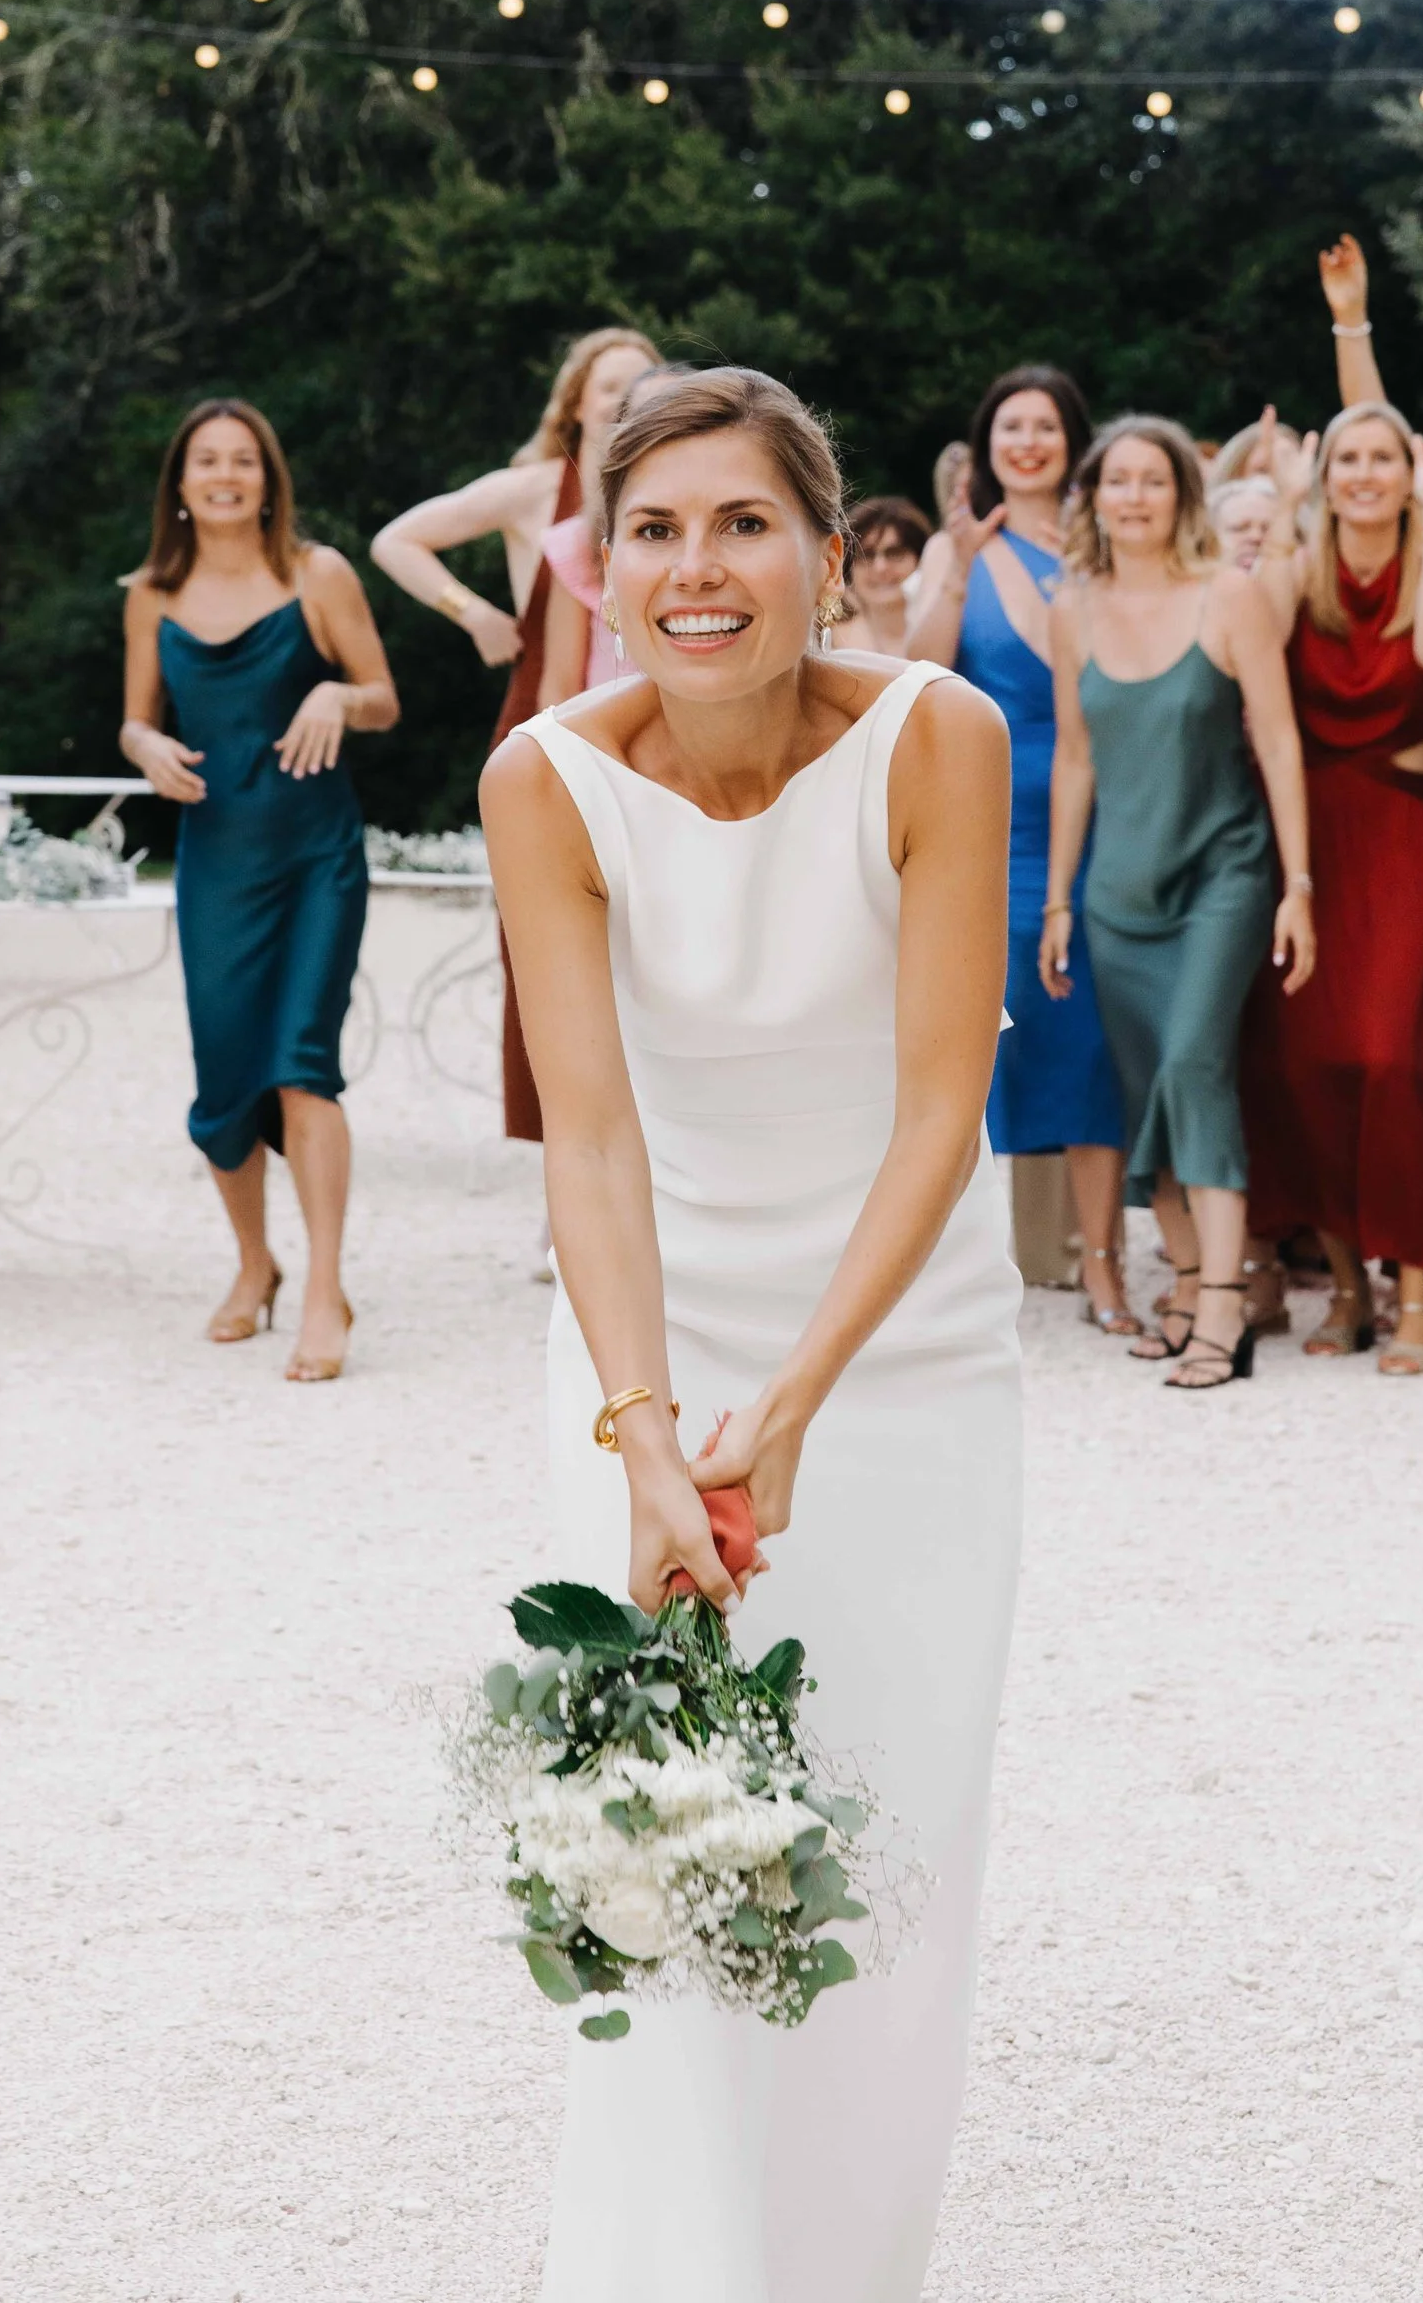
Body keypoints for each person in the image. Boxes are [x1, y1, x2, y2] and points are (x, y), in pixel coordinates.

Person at [483, 366, 1020, 2299]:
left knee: (883, 1831)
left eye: (741, 522)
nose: (695, 568)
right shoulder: (544, 776)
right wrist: (647, 1431)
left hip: (903, 1349)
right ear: (602, 559)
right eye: (653, 528)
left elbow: (942, 1111)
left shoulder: (938, 739)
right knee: (658, 1824)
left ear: (824, 544)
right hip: (650, 1329)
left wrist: (795, 1402)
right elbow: (595, 1129)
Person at [123, 399, 399, 1380]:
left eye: (244, 459)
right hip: (216, 860)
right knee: (224, 1078)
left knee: (301, 1062)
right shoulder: (152, 595)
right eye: (208, 460)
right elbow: (134, 721)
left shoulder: (316, 575)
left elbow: (383, 696)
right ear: (183, 484)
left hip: (315, 855)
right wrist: (146, 744)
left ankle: (325, 1290)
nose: (227, 474)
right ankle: (256, 1265)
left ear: (268, 478)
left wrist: (333, 690)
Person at [1040, 417, 1312, 1389]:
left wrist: (1299, 885)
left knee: (1195, 1060)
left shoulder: (1228, 595)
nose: (1135, 497)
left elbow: (1278, 744)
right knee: (1151, 1080)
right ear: (1095, 499)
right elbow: (1075, 758)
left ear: (1181, 497)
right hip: (1116, 891)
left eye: (1154, 480)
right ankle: (1189, 1284)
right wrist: (1059, 902)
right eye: (1118, 480)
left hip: (1224, 874)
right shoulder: (1070, 609)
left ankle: (1226, 1307)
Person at [1241, 314, 1423, 1374]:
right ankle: (1343, 1284)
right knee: (1308, 1065)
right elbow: (1273, 724)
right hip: (1309, 835)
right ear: (1324, 473)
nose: (1365, 474)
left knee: (1391, 1058)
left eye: (1383, 458)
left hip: (1398, 831)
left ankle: (1415, 1286)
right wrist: (1292, 879)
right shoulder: (1295, 571)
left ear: (1406, 472)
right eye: (1348, 459)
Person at [371, 325, 660, 1139]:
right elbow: (396, 539)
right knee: (551, 961)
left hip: (659, 740)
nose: (626, 401)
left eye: (644, 385)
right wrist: (475, 615)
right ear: (577, 402)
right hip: (553, 718)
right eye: (610, 387)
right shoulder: (537, 489)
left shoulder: (676, 490)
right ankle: (564, 1175)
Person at [907, 364, 1131, 1331]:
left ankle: (1104, 1266)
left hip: (1103, 815)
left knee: (1088, 1041)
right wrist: (956, 564)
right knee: (977, 1041)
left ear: (1072, 440)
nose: (1029, 441)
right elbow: (916, 669)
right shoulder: (961, 547)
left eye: (1046, 425)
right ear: (987, 445)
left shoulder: (1109, 542)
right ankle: (959, 1271)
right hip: (989, 826)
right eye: (1011, 427)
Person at [538, 362, 690, 706]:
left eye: (676, 414)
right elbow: (558, 688)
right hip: (607, 746)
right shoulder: (579, 542)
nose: (661, 431)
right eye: (645, 418)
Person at [827, 495, 932, 657]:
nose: (880, 567)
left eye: (895, 553)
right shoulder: (824, 636)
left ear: (921, 559)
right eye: (867, 555)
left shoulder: (953, 627)